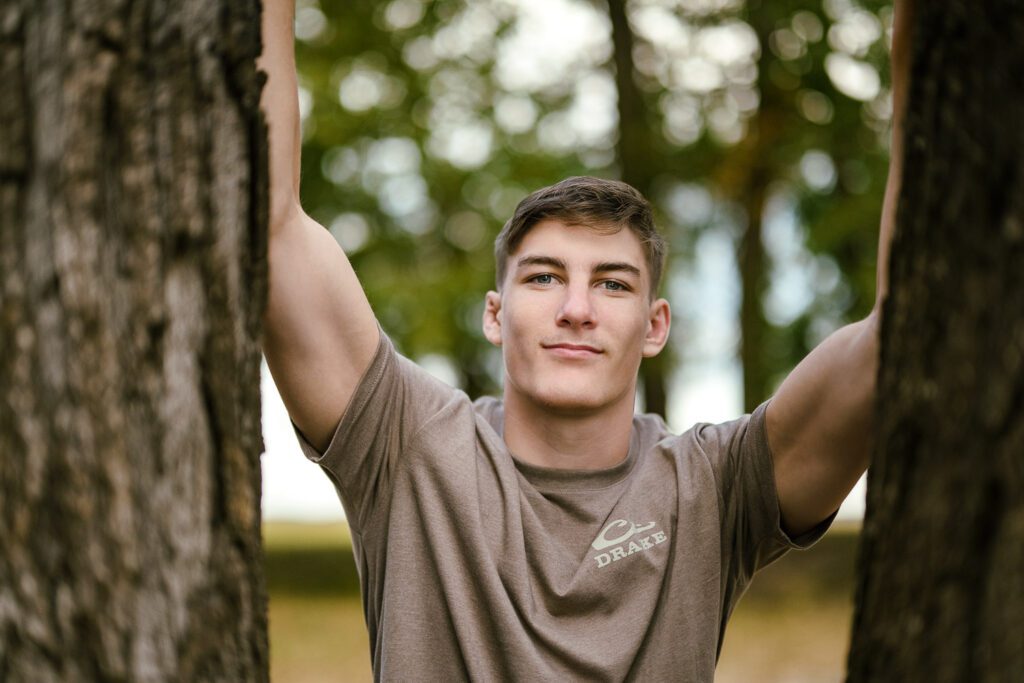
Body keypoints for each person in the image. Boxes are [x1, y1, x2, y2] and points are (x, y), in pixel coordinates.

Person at [259, 0, 913, 679]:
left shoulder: (714, 488)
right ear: (495, 312)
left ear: (655, 324)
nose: (576, 309)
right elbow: (271, 222)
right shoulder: (408, 446)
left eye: (612, 284)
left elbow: (902, 334)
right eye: (543, 278)